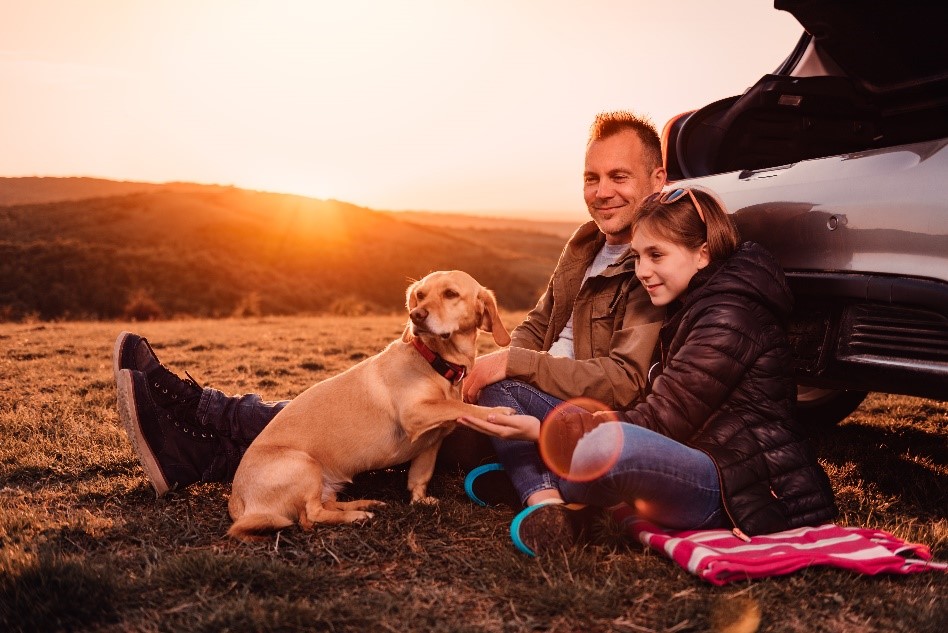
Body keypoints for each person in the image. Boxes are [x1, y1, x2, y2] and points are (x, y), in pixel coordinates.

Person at [114, 110, 668, 498]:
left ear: (658, 178)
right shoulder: (585, 245)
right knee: (349, 414)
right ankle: (201, 433)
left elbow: (624, 380)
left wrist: (509, 365)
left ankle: (202, 421)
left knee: (354, 421)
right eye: (592, 177)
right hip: (504, 390)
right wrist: (484, 365)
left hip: (550, 410)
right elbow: (536, 327)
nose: (602, 191)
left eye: (619, 177)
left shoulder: (655, 263)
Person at [457, 186, 838, 556]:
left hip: (738, 486)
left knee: (608, 447)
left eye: (656, 255)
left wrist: (542, 432)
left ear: (703, 253)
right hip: (687, 452)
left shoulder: (729, 317)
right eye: (637, 256)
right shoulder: (692, 301)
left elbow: (660, 421)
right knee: (504, 385)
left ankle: (533, 480)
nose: (642, 271)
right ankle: (546, 498)